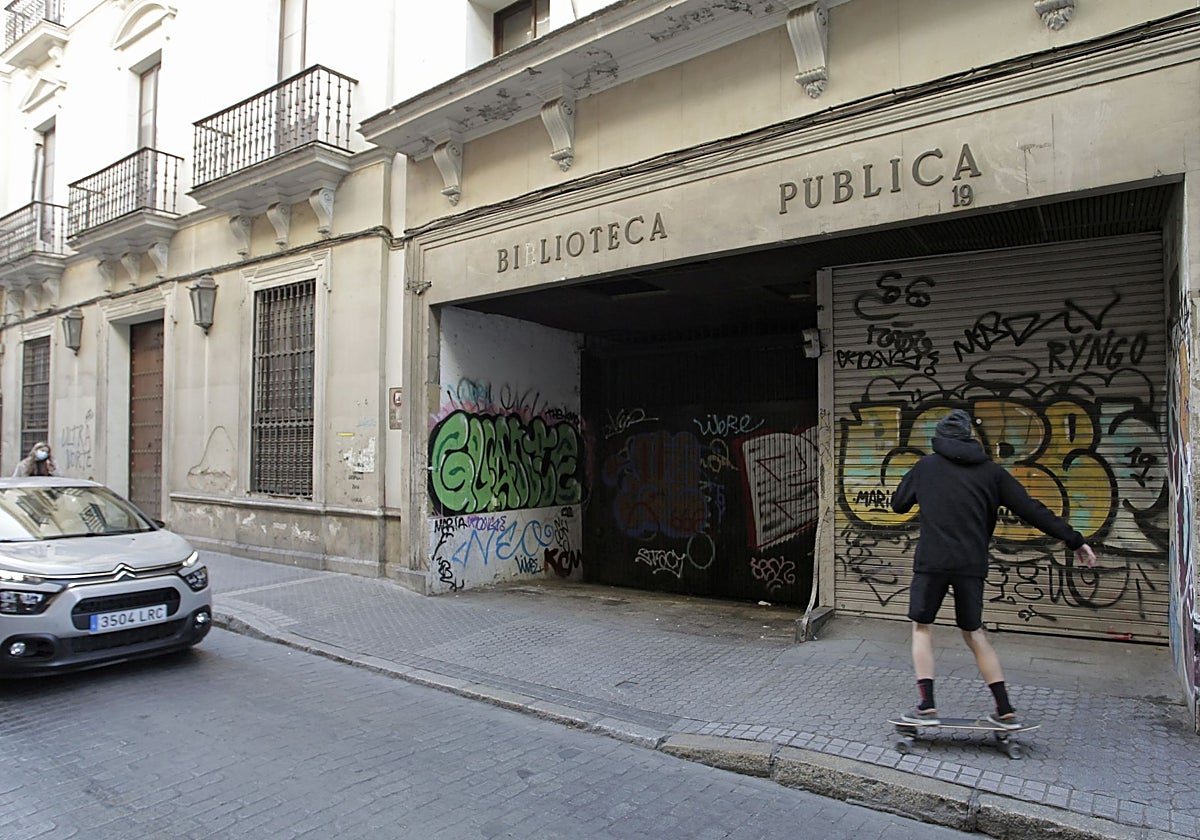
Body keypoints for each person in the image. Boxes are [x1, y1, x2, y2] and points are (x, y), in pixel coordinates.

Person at [890, 409, 1096, 729]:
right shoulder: (992, 473)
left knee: (921, 627)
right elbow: (1031, 509)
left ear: (939, 439)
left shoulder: (925, 467)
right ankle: (1005, 708)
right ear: (969, 438)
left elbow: (898, 504)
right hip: (971, 564)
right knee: (974, 633)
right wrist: (1075, 540)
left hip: (932, 562)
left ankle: (926, 706)